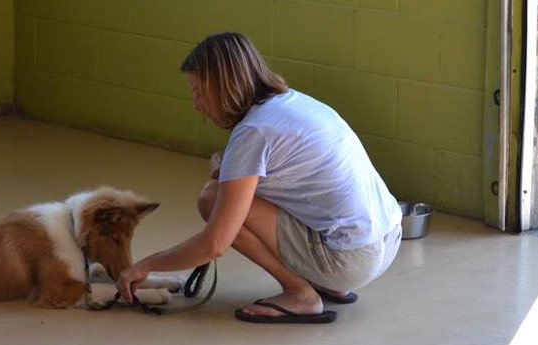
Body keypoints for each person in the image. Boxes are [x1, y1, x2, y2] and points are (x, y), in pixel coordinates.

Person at [115, 32, 403, 324]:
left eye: (199, 92)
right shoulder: (291, 103)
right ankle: (329, 284)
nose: (196, 104)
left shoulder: (253, 132)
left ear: (222, 86)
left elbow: (215, 244)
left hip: (351, 260)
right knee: (229, 191)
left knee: (212, 199)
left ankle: (301, 294)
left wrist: (146, 266)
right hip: (388, 239)